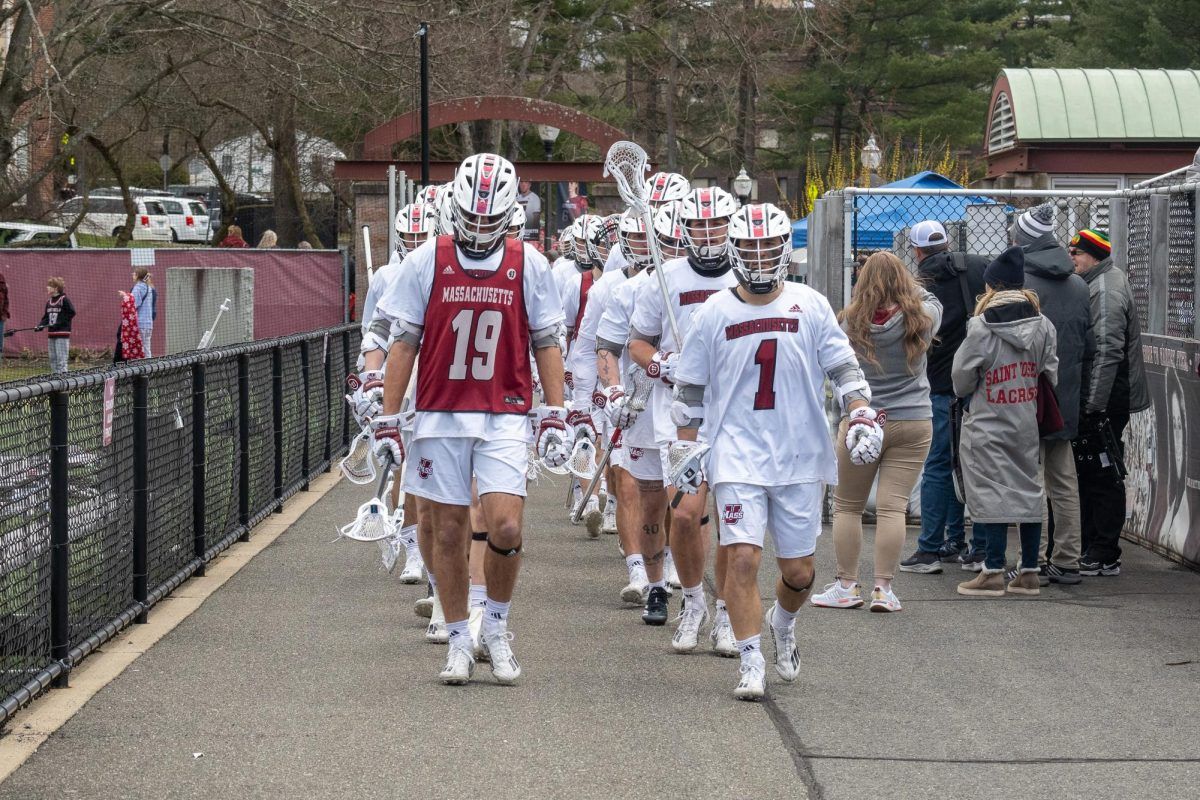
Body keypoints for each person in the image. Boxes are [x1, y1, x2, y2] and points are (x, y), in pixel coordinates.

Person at [373, 153, 571, 686]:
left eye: (491, 219)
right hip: (440, 409)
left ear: (509, 214)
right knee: (450, 530)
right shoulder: (426, 260)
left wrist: (554, 413)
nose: (480, 229)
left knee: (505, 523)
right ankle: (459, 638)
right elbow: (404, 340)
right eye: (472, 216)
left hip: (504, 410)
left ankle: (498, 627)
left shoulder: (527, 262)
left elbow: (546, 339)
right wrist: (389, 419)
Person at [671, 202, 880, 699]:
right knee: (741, 558)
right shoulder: (714, 312)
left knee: (799, 572)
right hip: (737, 452)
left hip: (799, 454)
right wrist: (686, 451)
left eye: (768, 248)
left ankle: (782, 623)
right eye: (750, 248)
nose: (760, 258)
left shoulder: (809, 303)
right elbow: (690, 391)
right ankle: (749, 662)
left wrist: (861, 409)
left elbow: (843, 367)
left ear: (784, 250)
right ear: (734, 250)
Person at [629, 186, 740, 652]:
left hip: (734, 410)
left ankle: (730, 612)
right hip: (677, 413)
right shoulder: (664, 276)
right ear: (687, 230)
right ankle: (693, 601)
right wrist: (661, 364)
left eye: (716, 224)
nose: (709, 233)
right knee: (688, 512)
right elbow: (637, 343)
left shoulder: (746, 275)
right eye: (700, 225)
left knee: (736, 520)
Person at [812, 252, 939, 613]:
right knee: (893, 506)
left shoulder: (849, 323)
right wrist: (902, 284)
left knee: (848, 506)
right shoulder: (922, 318)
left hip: (862, 420)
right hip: (914, 419)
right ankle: (883, 588)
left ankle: (847, 584)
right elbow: (932, 299)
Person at [952, 247, 1058, 597]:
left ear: (992, 287)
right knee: (1029, 489)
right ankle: (1029, 570)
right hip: (1025, 417)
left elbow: (962, 377)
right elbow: (1050, 372)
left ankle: (993, 569)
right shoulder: (1043, 325)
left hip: (987, 418)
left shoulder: (981, 326)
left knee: (989, 489)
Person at [900, 220, 988, 574]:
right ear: (948, 244)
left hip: (940, 382)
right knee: (977, 462)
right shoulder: (978, 267)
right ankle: (976, 546)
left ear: (917, 250)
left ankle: (931, 548)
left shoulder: (916, 285)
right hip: (982, 381)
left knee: (939, 464)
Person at [1018, 205, 1093, 584]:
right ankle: (1067, 559)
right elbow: (1090, 345)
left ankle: (1030, 559)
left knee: (1028, 479)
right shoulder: (1081, 286)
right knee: (1064, 481)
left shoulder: (1020, 284)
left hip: (1023, 396)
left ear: (1025, 240)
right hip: (1065, 398)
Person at [1069, 228, 1149, 576]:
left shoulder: (1104, 289)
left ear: (1095, 257)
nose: (1071, 259)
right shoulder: (1101, 281)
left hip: (1107, 400)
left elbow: (1106, 352)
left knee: (1103, 473)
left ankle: (1104, 552)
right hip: (1106, 397)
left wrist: (1092, 406)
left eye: (1078, 253)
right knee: (1094, 471)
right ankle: (1095, 547)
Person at [36, 277, 75, 374]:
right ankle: (55, 380)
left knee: (61, 359)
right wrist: (40, 325)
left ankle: (63, 381)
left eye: (50, 286)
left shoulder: (64, 299)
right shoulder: (49, 302)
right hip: (51, 334)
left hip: (62, 334)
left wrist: (59, 323)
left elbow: (71, 312)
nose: (47, 287)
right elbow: (46, 317)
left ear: (56, 288)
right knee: (53, 358)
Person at [130, 267, 156, 358]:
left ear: (138, 276)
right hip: (148, 324)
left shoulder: (137, 288)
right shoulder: (149, 287)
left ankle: (140, 370)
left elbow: (133, 304)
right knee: (146, 349)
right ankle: (149, 369)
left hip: (139, 323)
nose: (132, 275)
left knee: (137, 350)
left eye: (134, 273)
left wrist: (126, 298)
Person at [116, 291, 146, 361]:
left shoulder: (138, 288)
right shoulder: (148, 287)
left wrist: (125, 295)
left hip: (132, 323)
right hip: (134, 322)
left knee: (125, 341)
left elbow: (133, 302)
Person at [0, 271, 8, 362]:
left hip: (0, 318)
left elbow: (6, 299)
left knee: (0, 345)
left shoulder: (1, 279)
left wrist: (4, 313)